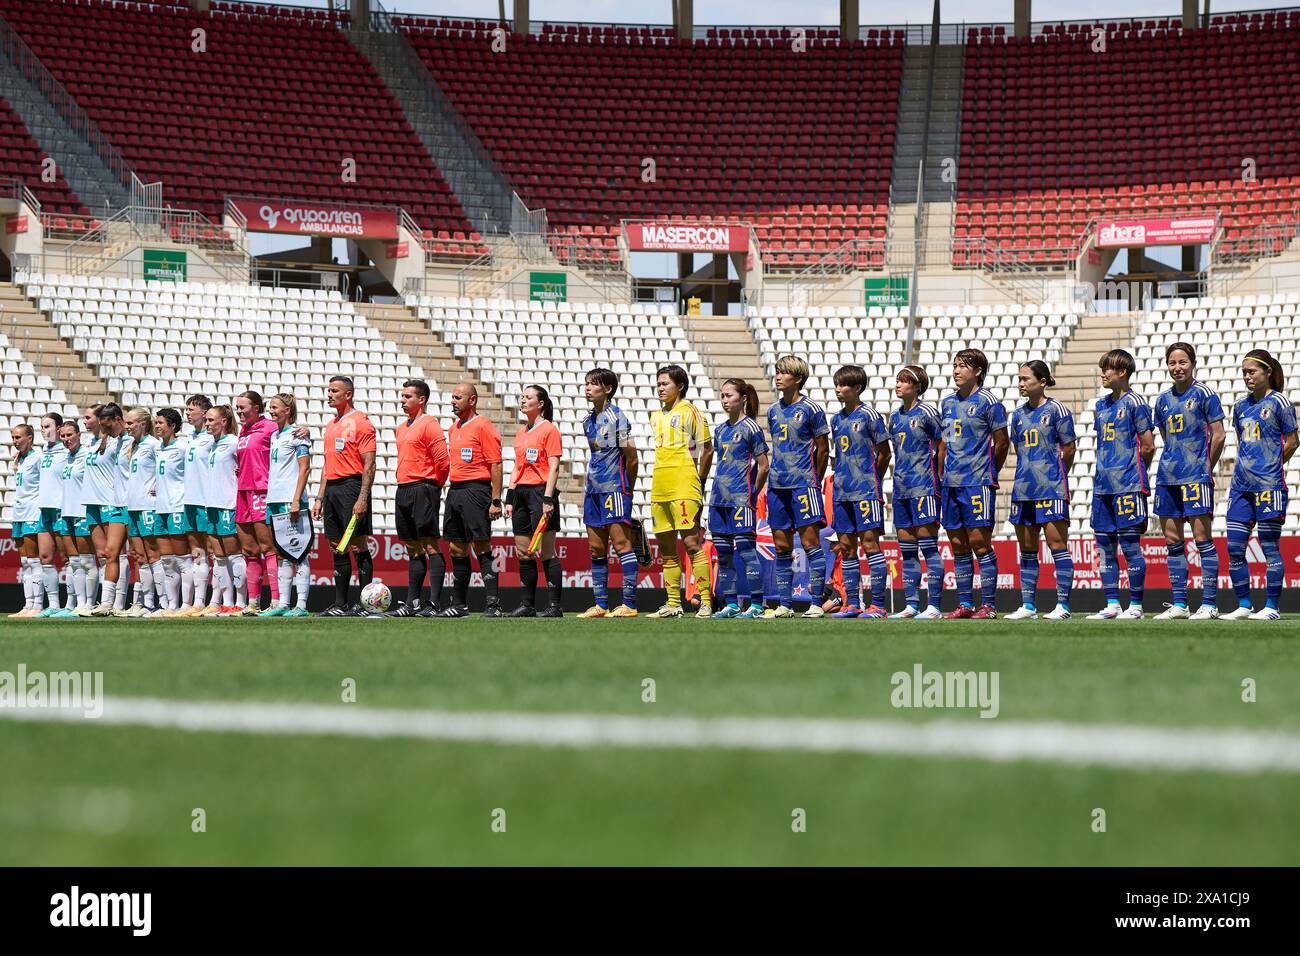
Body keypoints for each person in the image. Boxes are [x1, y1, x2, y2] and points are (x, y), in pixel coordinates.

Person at [1151, 342, 1226, 620]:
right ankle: (1180, 604)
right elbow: (1165, 436)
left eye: (1182, 362)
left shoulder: (1205, 394)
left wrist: (1205, 465)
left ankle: (1209, 603)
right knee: (1172, 541)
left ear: (1193, 363)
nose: (1177, 367)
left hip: (1196, 477)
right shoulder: (1162, 400)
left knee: (1202, 539)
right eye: (1172, 362)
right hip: (1168, 478)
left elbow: (1219, 435)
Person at [1223, 349, 1297, 620]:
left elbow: (1292, 440)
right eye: (1244, 372)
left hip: (1269, 486)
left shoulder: (1280, 402)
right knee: (1234, 547)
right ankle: (1244, 604)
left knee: (1269, 546)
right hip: (1241, 487)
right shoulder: (1240, 406)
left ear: (1267, 372)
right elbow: (1242, 442)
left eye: (1252, 371)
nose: (1247, 377)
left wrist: (1273, 465)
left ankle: (1272, 607)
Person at [938, 348, 1009, 619]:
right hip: (951, 485)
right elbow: (944, 443)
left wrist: (990, 471)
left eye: (962, 366)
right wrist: (942, 475)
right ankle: (965, 604)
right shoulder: (947, 403)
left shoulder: (989, 402)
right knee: (957, 544)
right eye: (955, 365)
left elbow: (1002, 441)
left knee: (980, 542)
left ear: (977, 371)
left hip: (977, 482)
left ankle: (989, 605)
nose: (956, 371)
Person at [1005, 361, 1077, 621]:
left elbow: (1069, 448)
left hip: (1051, 488)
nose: (1021, 383)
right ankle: (1028, 606)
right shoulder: (1017, 415)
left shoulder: (1058, 410)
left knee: (1057, 545)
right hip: (1023, 489)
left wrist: (1055, 475)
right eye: (1019, 379)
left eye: (1026, 379)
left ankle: (1063, 606)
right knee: (1027, 548)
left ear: (1042, 381)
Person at [1087, 349, 1155, 620]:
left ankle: (1136, 605)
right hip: (1103, 486)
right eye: (1102, 368)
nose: (1103, 373)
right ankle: (1112, 603)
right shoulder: (1101, 405)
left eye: (1108, 369)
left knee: (1129, 545)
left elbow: (1148, 445)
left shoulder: (1136, 402)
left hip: (1128, 484)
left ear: (1122, 372)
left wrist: (1134, 472)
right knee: (1104, 546)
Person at [764, 355, 830, 619]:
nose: (778, 376)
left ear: (798, 379)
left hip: (804, 484)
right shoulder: (772, 410)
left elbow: (823, 449)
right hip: (777, 485)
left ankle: (815, 602)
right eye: (777, 371)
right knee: (781, 546)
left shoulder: (812, 409)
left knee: (810, 542)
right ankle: (785, 604)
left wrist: (814, 480)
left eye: (784, 372)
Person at [647, 363, 713, 618]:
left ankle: (706, 601)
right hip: (659, 484)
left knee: (691, 543)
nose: (660, 387)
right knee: (666, 549)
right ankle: (673, 603)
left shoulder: (691, 412)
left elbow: (706, 448)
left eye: (665, 383)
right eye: (659, 383)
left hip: (685, 482)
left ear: (680, 386)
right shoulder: (655, 415)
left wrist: (700, 478)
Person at [827, 365, 891, 619]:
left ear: (857, 388)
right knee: (846, 547)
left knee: (870, 544)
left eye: (843, 385)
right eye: (836, 384)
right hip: (842, 492)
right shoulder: (836, 419)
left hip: (865, 491)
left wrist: (872, 478)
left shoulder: (870, 416)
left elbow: (885, 452)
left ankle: (878, 605)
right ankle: (852, 603)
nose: (838, 389)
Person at [577, 368, 641, 619]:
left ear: (608, 389)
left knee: (622, 546)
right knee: (595, 549)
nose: (588, 388)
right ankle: (601, 605)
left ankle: (629, 604)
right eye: (586, 384)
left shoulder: (618, 418)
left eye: (593, 384)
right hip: (592, 490)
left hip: (614, 489)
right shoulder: (586, 421)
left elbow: (632, 458)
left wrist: (628, 489)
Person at [312, 376, 377, 616]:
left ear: (348, 394)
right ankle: (341, 603)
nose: (329, 394)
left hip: (352, 486)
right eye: (328, 390)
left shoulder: (361, 422)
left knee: (358, 544)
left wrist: (362, 498)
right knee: (335, 545)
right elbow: (327, 465)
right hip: (332, 490)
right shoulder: (331, 424)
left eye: (334, 391)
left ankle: (366, 604)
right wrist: (319, 498)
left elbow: (369, 464)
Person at [439, 383, 504, 618]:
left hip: (477, 490)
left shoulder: (483, 426)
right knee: (456, 547)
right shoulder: (453, 428)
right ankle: (459, 604)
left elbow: (496, 463)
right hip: (455, 490)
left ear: (472, 400)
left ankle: (493, 603)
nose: (453, 401)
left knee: (482, 545)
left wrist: (496, 500)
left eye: (458, 397)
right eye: (452, 397)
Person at [388, 379, 450, 617]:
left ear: (421, 399)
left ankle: (434, 603)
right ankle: (412, 603)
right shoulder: (402, 427)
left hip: (424, 488)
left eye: (407, 397)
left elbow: (443, 462)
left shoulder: (430, 425)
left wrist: (434, 486)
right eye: (402, 396)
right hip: (403, 488)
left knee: (430, 545)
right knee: (412, 548)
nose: (402, 401)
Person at [708, 378, 769, 619]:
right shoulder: (720, 430)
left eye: (729, 395)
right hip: (718, 500)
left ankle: (756, 605)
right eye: (722, 396)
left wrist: (751, 494)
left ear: (742, 398)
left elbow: (764, 466)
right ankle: (731, 604)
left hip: (741, 500)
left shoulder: (751, 428)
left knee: (746, 551)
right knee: (723, 554)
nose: (725, 400)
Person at [887, 366, 944, 619]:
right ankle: (911, 604)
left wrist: (938, 476)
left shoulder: (928, 413)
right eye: (897, 380)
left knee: (929, 548)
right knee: (907, 550)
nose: (898, 384)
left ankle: (934, 606)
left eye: (904, 381)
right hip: (901, 489)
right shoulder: (895, 417)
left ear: (917, 386)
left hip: (925, 487)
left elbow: (943, 444)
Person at [506, 385, 564, 617]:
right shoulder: (521, 432)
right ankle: (527, 604)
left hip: (541, 493)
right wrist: (509, 498)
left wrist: (548, 498)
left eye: (528, 397)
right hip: (520, 493)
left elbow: (554, 467)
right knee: (523, 551)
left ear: (540, 404)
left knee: (546, 551)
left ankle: (554, 606)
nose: (523, 400)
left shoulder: (549, 430)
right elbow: (517, 466)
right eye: (522, 396)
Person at [260, 394, 313, 617]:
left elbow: (304, 468)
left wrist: (295, 499)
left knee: (298, 552)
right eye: (270, 407)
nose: (271, 411)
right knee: (281, 552)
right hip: (274, 499)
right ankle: (282, 603)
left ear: (288, 411)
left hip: (291, 500)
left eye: (275, 407)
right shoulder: (275, 435)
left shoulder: (297, 434)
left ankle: (300, 605)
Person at [82, 403, 130, 616]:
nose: (100, 425)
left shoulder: (123, 442)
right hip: (92, 502)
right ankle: (105, 602)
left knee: (119, 553)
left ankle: (118, 603)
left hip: (112, 501)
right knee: (105, 554)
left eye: (102, 420)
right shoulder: (91, 443)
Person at [235, 391, 281, 614]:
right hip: (242, 490)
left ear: (257, 407)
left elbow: (290, 437)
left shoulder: (270, 427)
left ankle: (276, 601)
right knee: (249, 549)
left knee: (267, 546)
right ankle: (252, 602)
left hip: (261, 490)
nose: (239, 412)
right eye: (237, 408)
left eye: (243, 407)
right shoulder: (243, 430)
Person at [202, 404, 244, 616]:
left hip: (228, 504)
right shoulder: (213, 445)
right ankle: (226, 602)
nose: (207, 424)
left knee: (235, 554)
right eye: (207, 420)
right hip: (212, 505)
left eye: (210, 420)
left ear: (224, 422)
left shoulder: (234, 442)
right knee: (219, 557)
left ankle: (242, 601)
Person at [121, 406, 162, 617]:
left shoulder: (154, 445)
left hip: (148, 505)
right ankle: (146, 603)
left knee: (153, 554)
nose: (126, 427)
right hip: (133, 505)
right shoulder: (133, 446)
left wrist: (159, 487)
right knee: (139, 556)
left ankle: (162, 603)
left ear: (143, 424)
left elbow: (166, 469)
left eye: (130, 423)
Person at [34, 413, 73, 617]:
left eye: (47, 426)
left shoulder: (66, 451)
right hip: (44, 509)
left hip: (61, 509)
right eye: (41, 426)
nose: (43, 430)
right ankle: (54, 604)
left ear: (58, 429)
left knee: (68, 558)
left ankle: (72, 603)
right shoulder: (43, 451)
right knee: (45, 557)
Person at [179, 394, 214, 616]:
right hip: (189, 500)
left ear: (205, 412)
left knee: (214, 552)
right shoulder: (189, 438)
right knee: (197, 553)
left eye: (192, 409)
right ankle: (196, 603)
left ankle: (217, 601)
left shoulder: (213, 439)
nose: (188, 412)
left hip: (207, 501)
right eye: (187, 409)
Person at [56, 420, 96, 616]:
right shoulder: (66, 458)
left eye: (69, 435)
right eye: (63, 436)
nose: (66, 439)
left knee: (87, 561)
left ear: (79, 434)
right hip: (66, 513)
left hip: (82, 512)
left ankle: (90, 603)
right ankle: (79, 604)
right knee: (74, 562)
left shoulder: (87, 454)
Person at [8, 424, 44, 617]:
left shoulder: (37, 458)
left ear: (29, 437)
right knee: (24, 561)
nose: (15, 441)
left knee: (33, 560)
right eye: (13, 438)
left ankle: (37, 605)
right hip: (19, 512)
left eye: (18, 437)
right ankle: (27, 604)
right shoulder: (19, 460)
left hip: (32, 511)